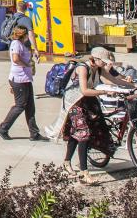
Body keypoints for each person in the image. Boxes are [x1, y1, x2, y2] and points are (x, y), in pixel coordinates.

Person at [46, 47, 113, 186]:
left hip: (87, 102)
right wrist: (104, 92)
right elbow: (84, 90)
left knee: (76, 134)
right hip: (74, 103)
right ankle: (84, 173)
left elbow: (113, 80)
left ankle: (66, 162)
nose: (105, 64)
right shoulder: (82, 68)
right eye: (103, 61)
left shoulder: (98, 68)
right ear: (95, 59)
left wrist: (132, 84)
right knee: (84, 134)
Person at [0, 25, 42, 141]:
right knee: (20, 106)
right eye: (27, 35)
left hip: (25, 79)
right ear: (23, 35)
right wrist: (26, 65)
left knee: (30, 106)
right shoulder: (16, 44)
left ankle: (34, 133)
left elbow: (23, 56)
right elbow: (15, 59)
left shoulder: (22, 44)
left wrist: (33, 55)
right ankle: (3, 128)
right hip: (19, 79)